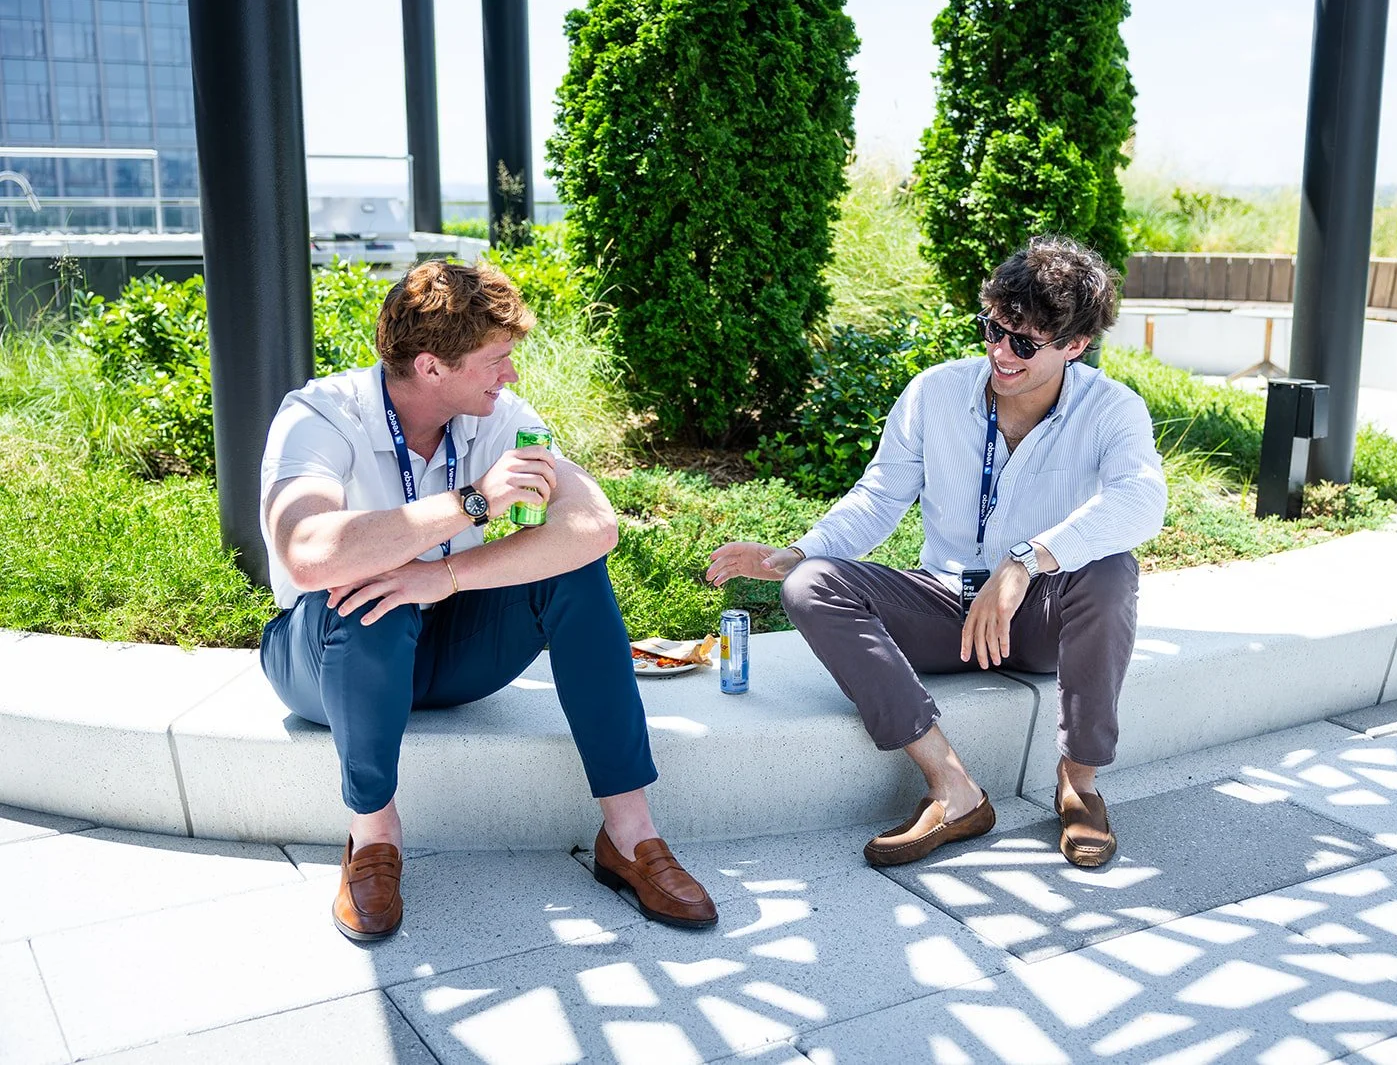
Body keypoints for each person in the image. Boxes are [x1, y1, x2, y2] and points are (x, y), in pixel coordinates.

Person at [259, 260, 717, 940]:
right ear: (431, 367)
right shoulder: (323, 414)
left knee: (575, 571)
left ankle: (629, 833)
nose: (510, 376)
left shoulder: (499, 416)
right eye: (495, 360)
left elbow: (596, 525)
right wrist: (472, 503)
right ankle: (373, 838)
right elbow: (308, 547)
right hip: (326, 655)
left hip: (444, 641)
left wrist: (439, 577)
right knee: (363, 591)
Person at [707, 235, 1165, 868]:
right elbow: (881, 494)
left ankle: (1079, 786)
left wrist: (1027, 560)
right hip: (945, 605)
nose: (1001, 353)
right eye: (994, 329)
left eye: (1026, 344)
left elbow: (1142, 503)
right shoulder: (936, 392)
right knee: (810, 584)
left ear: (1075, 346)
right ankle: (954, 790)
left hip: (1036, 619)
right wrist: (797, 552)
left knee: (1112, 571)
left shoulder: (1113, 410)